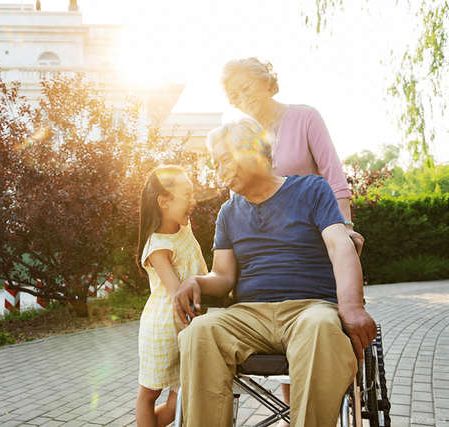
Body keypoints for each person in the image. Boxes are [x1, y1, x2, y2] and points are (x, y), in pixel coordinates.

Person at [173, 119, 376, 427]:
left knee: (322, 327)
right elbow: (223, 276)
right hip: (249, 315)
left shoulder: (311, 189)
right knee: (199, 333)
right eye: (215, 164)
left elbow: (340, 246)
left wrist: (352, 306)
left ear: (252, 151)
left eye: (224, 159)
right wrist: (196, 281)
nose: (219, 171)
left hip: (309, 309)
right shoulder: (228, 213)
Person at [220, 57, 365, 413]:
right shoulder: (242, 136)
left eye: (246, 87)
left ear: (267, 82)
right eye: (234, 94)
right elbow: (238, 198)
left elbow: (333, 179)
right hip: (268, 250)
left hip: (314, 236)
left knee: (312, 326)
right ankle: (290, 415)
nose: (242, 97)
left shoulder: (304, 118)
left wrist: (343, 232)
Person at [135, 165, 209, 427]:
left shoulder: (183, 228)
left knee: (178, 404)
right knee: (149, 394)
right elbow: (178, 292)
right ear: (164, 202)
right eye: (187, 195)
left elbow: (201, 270)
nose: (193, 201)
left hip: (188, 325)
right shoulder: (157, 246)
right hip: (163, 329)